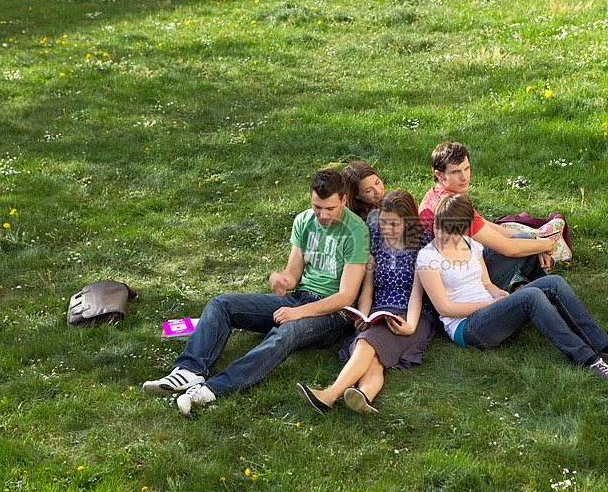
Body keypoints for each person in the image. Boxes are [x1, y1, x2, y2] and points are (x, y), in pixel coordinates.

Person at [143, 169, 370, 414]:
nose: (322, 215)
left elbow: (346, 296)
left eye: (330, 209)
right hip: (298, 298)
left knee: (286, 333)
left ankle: (212, 389)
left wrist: (298, 313)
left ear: (343, 200)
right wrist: (283, 280)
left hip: (333, 314)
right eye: (317, 207)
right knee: (221, 304)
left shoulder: (356, 231)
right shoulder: (304, 221)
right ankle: (189, 371)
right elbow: (293, 273)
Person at [416, 194, 608, 382]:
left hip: (490, 309)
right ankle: (587, 359)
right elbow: (445, 308)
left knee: (553, 283)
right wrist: (491, 303)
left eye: (451, 230)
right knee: (531, 296)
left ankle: (606, 347)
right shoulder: (428, 257)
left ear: (465, 229)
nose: (442, 234)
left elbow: (485, 283)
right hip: (467, 328)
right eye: (439, 227)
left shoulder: (471, 244)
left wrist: (498, 294)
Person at [296, 189, 436, 415]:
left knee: (366, 344)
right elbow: (368, 288)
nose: (387, 230)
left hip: (413, 314)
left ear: (408, 222)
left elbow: (417, 294)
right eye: (383, 223)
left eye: (394, 225)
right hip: (380, 310)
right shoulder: (375, 238)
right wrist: (362, 315)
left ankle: (329, 395)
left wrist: (410, 324)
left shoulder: (422, 244)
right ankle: (364, 397)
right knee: (374, 360)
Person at [418, 141, 554, 292]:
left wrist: (534, 242)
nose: (464, 177)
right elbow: (508, 249)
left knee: (525, 242)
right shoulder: (450, 209)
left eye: (467, 168)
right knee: (524, 245)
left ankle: (522, 284)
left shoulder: (438, 193)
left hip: (458, 266)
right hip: (460, 285)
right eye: (456, 172)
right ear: (439, 174)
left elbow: (483, 223)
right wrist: (546, 245)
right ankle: (546, 288)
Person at [341, 161, 385, 227]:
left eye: (377, 182)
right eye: (368, 190)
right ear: (356, 195)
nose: (378, 191)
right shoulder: (374, 217)